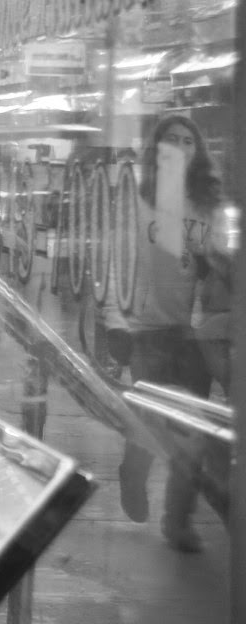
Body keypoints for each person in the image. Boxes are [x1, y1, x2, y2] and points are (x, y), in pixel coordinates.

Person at [104, 114, 222, 553]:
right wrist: (114, 320)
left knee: (192, 431)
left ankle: (178, 522)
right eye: (171, 139)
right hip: (145, 328)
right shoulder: (138, 198)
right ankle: (134, 470)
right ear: (157, 148)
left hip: (190, 331)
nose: (179, 146)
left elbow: (219, 266)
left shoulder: (207, 204)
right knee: (151, 423)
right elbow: (114, 259)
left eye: (188, 140)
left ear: (198, 150)